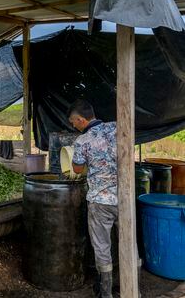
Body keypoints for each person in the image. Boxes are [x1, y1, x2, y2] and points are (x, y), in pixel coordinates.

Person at [68, 99, 117, 298]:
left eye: (73, 122)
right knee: (130, 242)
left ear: (80, 120)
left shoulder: (82, 141)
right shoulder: (116, 127)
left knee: (102, 247)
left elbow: (77, 169)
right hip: (125, 197)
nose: (73, 125)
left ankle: (105, 294)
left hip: (100, 202)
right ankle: (134, 289)